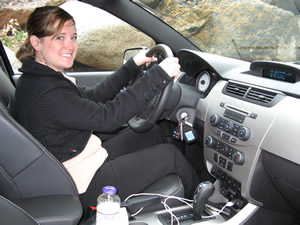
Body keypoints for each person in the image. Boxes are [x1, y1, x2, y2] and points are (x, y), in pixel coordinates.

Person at [15, 5, 199, 218]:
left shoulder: (43, 77)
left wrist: (134, 64)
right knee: (172, 156)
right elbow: (108, 118)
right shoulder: (45, 91)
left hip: (82, 157)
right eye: (59, 38)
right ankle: (207, 211)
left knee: (152, 132)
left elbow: (93, 97)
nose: (70, 45)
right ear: (36, 42)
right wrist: (158, 75)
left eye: (73, 37)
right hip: (79, 183)